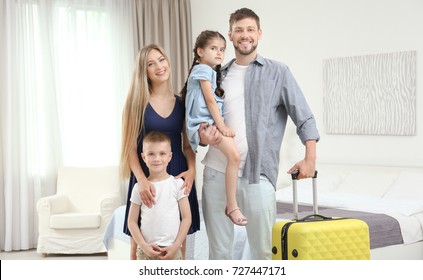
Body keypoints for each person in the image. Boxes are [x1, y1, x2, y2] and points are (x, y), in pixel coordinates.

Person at [199, 8, 320, 260]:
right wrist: (203, 137)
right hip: (215, 174)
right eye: (239, 30)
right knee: (219, 254)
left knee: (263, 253)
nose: (245, 35)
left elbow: (304, 116)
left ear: (259, 34)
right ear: (230, 35)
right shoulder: (215, 75)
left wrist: (310, 158)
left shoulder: (278, 72)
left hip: (258, 175)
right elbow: (199, 122)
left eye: (250, 29)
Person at [120, 44, 200, 260]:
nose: (159, 66)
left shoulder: (182, 103)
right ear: (143, 71)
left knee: (178, 245)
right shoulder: (135, 103)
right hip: (145, 175)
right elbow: (128, 147)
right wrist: (141, 181)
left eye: (162, 59)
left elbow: (187, 144)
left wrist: (192, 170)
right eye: (151, 64)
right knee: (137, 248)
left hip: (178, 173)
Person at [180, 30, 247, 226]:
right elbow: (209, 100)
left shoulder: (208, 71)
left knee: (233, 157)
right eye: (213, 48)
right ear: (200, 51)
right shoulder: (203, 70)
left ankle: (232, 204)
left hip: (203, 123)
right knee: (234, 157)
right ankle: (232, 205)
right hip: (205, 123)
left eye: (222, 50)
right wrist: (222, 126)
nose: (219, 53)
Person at [127, 131, 191, 260]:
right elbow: (131, 222)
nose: (157, 159)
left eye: (162, 154)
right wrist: (143, 246)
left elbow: (187, 218)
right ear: (143, 157)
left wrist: (176, 245)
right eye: (151, 154)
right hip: (146, 252)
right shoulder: (138, 188)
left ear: (170, 156)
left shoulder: (178, 184)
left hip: (172, 250)